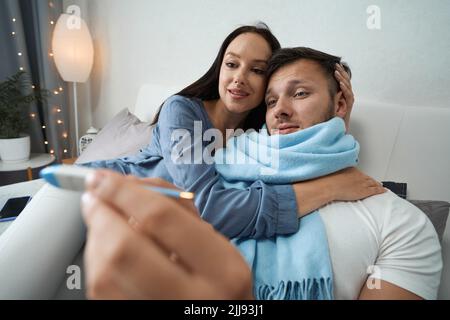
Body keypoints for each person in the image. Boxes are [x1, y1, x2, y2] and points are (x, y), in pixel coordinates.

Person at [82, 47, 442, 300]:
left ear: (341, 103)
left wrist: (330, 137)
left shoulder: (401, 223)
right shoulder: (219, 164)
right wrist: (327, 169)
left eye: (299, 93)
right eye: (270, 102)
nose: (280, 111)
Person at [81, 23, 384, 239]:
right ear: (220, 68)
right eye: (232, 64)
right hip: (90, 194)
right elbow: (205, 207)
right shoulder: (181, 111)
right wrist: (330, 189)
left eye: (256, 70)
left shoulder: (258, 137)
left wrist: (339, 116)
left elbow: (303, 158)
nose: (239, 78)